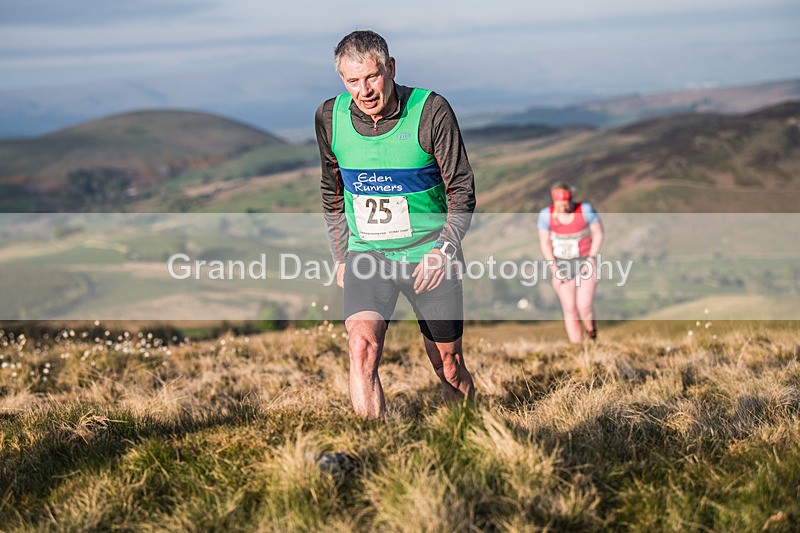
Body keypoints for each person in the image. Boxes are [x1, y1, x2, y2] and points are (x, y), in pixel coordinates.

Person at [315, 30, 476, 419]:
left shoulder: (431, 110)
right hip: (367, 255)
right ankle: (373, 445)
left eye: (372, 76)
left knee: (448, 365)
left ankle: (468, 438)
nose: (364, 89)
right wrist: (341, 256)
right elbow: (332, 190)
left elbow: (461, 189)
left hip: (429, 257)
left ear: (390, 67)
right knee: (361, 347)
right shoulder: (329, 117)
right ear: (342, 80)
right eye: (353, 81)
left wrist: (443, 252)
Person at [537, 182, 604, 343]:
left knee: (584, 306)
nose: (563, 207)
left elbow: (598, 234)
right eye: (559, 204)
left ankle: (591, 333)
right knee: (569, 308)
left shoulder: (586, 210)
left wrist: (591, 258)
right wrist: (554, 269)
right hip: (561, 264)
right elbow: (545, 243)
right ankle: (577, 347)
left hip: (585, 262)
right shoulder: (546, 215)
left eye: (566, 204)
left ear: (571, 199)